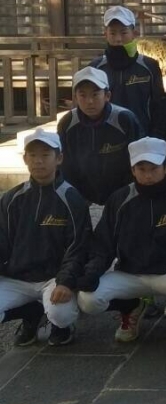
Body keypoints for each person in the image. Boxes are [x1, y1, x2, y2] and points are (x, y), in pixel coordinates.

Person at [79, 137, 166, 342]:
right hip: (130, 274)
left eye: (154, 168)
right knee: (88, 299)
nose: (148, 175)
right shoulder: (119, 199)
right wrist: (92, 272)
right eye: (141, 169)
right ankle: (132, 307)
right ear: (133, 170)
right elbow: (103, 244)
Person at [0, 130, 91, 348]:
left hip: (54, 279)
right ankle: (31, 313)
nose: (38, 161)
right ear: (25, 159)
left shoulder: (72, 198)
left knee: (61, 314)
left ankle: (61, 326)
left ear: (59, 158)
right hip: (17, 278)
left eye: (45, 154)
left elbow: (79, 248)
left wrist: (66, 282)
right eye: (32, 155)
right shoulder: (12, 199)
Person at [58, 66, 141, 227]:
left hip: (122, 194)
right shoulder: (67, 123)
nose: (89, 101)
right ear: (75, 97)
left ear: (107, 95)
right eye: (83, 95)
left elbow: (137, 159)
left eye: (95, 94)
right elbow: (65, 165)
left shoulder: (125, 119)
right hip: (81, 195)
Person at [91, 4, 166, 138]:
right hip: (107, 141)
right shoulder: (95, 69)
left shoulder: (149, 66)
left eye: (124, 32)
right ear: (105, 34)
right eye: (113, 33)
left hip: (143, 139)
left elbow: (160, 107)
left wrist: (157, 138)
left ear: (134, 33)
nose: (118, 39)